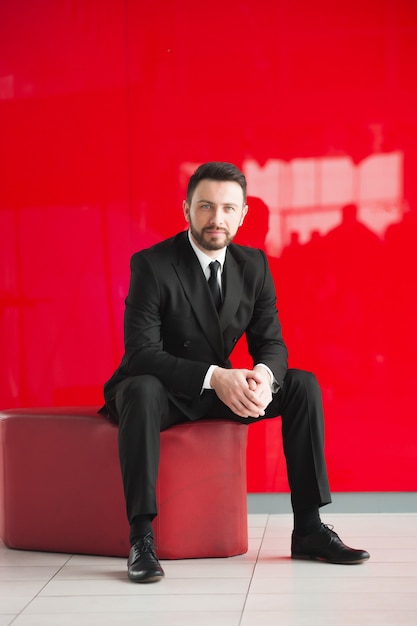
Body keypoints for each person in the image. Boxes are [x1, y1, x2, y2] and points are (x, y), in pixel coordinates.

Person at [101, 161, 370, 583]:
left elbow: (272, 343)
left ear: (243, 214)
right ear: (186, 208)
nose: (217, 218)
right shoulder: (151, 265)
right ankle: (141, 537)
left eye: (228, 208)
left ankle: (310, 528)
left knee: (301, 385)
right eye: (206, 206)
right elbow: (141, 354)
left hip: (218, 389)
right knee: (142, 388)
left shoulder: (254, 265)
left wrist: (263, 376)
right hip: (163, 391)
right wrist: (216, 377)